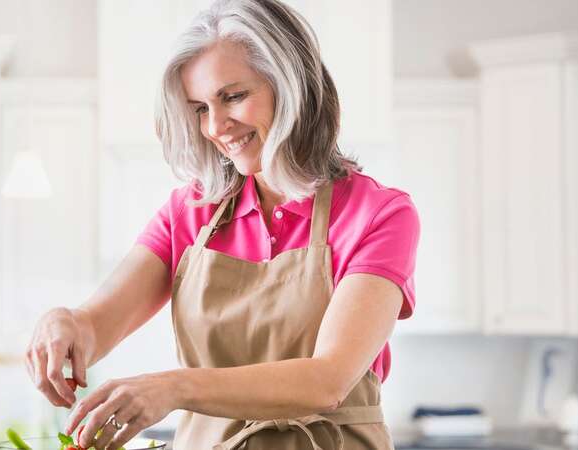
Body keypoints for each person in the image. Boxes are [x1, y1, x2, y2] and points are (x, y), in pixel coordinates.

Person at [24, 0, 420, 449]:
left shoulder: (379, 214)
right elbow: (96, 326)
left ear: (291, 86)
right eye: (199, 108)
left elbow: (327, 380)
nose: (215, 126)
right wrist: (65, 324)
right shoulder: (188, 212)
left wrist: (175, 387)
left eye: (233, 96)